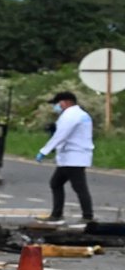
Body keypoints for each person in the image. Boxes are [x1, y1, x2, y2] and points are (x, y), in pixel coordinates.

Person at [36, 90, 94, 224]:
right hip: (72, 156)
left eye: (57, 104)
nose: (56, 107)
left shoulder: (71, 115)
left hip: (74, 157)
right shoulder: (78, 114)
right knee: (56, 183)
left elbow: (61, 135)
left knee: (79, 187)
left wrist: (44, 151)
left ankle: (87, 217)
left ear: (66, 102)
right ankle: (57, 214)